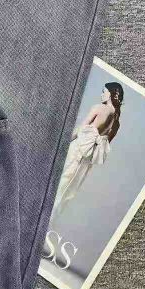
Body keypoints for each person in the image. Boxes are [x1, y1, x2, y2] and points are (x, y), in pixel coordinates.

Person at [52, 82, 124, 216]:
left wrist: (62, 144)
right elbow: (103, 145)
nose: (102, 94)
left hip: (78, 149)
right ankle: (51, 218)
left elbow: (80, 129)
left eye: (104, 91)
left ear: (110, 94)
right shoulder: (117, 123)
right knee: (68, 191)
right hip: (88, 158)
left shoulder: (99, 108)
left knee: (58, 181)